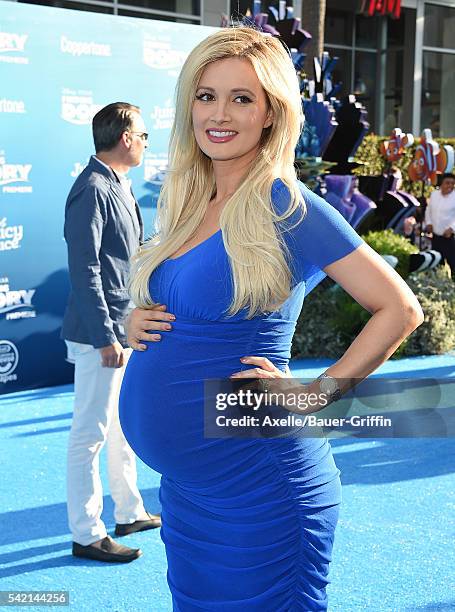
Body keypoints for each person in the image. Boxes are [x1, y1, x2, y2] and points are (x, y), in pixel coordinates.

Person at [119, 28, 423, 609]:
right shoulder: (191, 203)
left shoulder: (290, 205)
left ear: (271, 114)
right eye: (206, 95)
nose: (219, 113)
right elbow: (185, 301)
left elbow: (398, 308)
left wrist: (317, 394)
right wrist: (140, 321)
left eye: (241, 98)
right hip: (189, 492)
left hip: (260, 485)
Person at [61, 102, 160, 564]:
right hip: (101, 335)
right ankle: (87, 533)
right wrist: (106, 336)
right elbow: (84, 270)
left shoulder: (116, 183)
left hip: (123, 328)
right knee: (90, 434)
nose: (144, 142)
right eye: (142, 135)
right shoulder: (92, 188)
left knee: (121, 428)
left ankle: (129, 511)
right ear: (124, 138)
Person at [424, 173, 455, 280]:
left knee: (452, 262)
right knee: (436, 260)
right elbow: (429, 210)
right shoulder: (434, 195)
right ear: (441, 183)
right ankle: (436, 282)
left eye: (452, 183)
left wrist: (452, 228)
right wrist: (428, 223)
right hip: (436, 236)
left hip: (449, 237)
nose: (450, 186)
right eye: (447, 183)